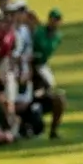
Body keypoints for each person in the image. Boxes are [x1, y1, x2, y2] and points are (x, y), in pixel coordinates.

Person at [32, 7, 65, 139]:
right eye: (53, 19)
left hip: (42, 64)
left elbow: (46, 50)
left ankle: (53, 130)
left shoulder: (58, 36)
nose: (55, 22)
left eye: (58, 20)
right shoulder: (40, 32)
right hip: (34, 64)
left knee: (55, 92)